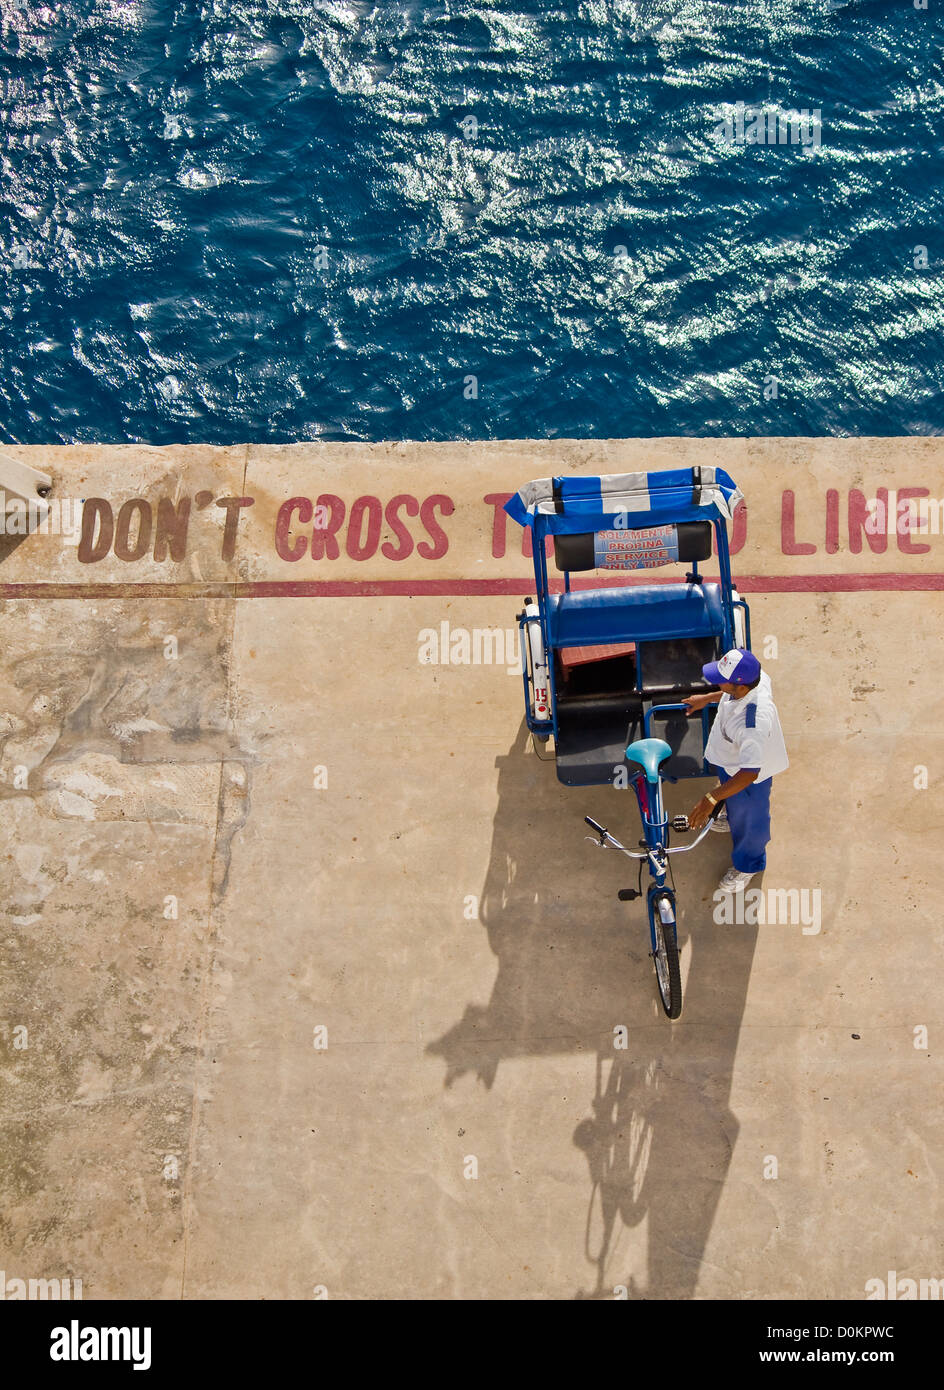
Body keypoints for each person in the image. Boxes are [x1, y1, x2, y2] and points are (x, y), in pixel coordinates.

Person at [684, 648, 788, 894]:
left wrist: (711, 798)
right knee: (734, 804)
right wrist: (707, 698)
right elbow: (727, 694)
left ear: (740, 686)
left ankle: (749, 865)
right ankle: (732, 816)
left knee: (751, 821)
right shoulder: (755, 678)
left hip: (748, 780)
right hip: (731, 761)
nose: (716, 680)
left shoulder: (752, 723)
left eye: (721, 679)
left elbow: (749, 773)